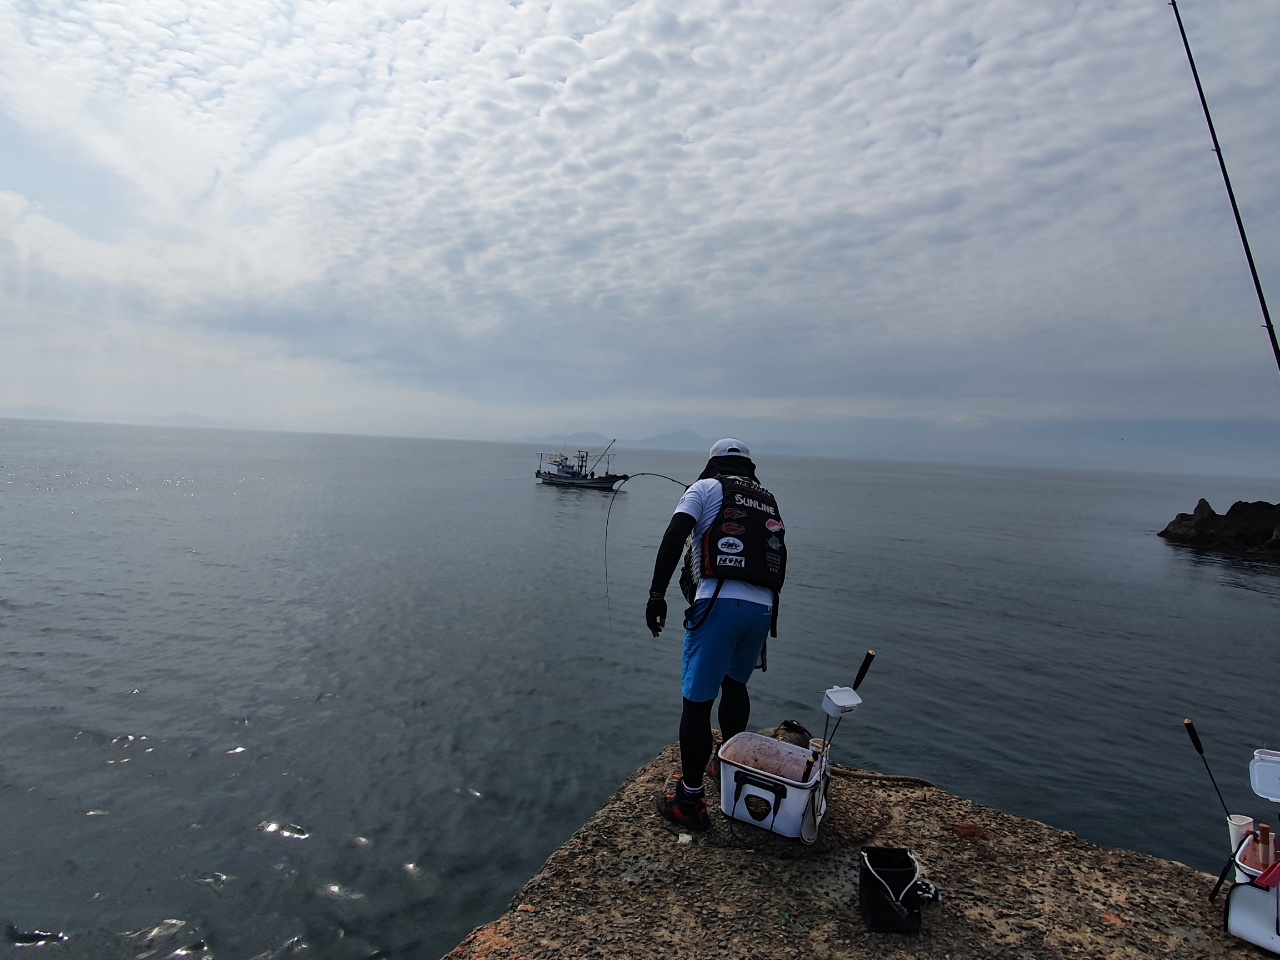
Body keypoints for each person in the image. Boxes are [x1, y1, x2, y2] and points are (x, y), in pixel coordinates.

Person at [645, 438, 787, 830]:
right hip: (763, 608)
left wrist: (656, 595)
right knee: (735, 686)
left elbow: (676, 534)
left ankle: (689, 801)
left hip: (719, 603)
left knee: (696, 703)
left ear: (713, 464)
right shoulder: (767, 498)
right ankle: (727, 767)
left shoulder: (705, 487)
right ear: (749, 468)